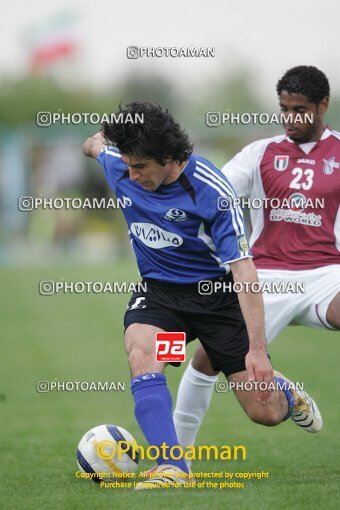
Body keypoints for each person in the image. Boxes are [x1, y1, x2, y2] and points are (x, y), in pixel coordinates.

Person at [83, 100, 321, 489]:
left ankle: (285, 391)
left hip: (216, 302)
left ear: (166, 157)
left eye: (140, 166)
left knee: (266, 412)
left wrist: (257, 350)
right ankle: (172, 468)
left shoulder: (212, 192)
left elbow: (244, 270)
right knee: (144, 351)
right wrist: (106, 137)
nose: (131, 174)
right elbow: (93, 145)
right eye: (127, 163)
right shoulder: (121, 165)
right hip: (162, 298)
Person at [174, 65, 339, 460]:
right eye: (284, 108)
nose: (290, 118)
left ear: (323, 106)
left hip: (327, 274)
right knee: (205, 357)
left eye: (300, 109)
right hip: (265, 278)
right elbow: (216, 195)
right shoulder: (260, 153)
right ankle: (174, 457)